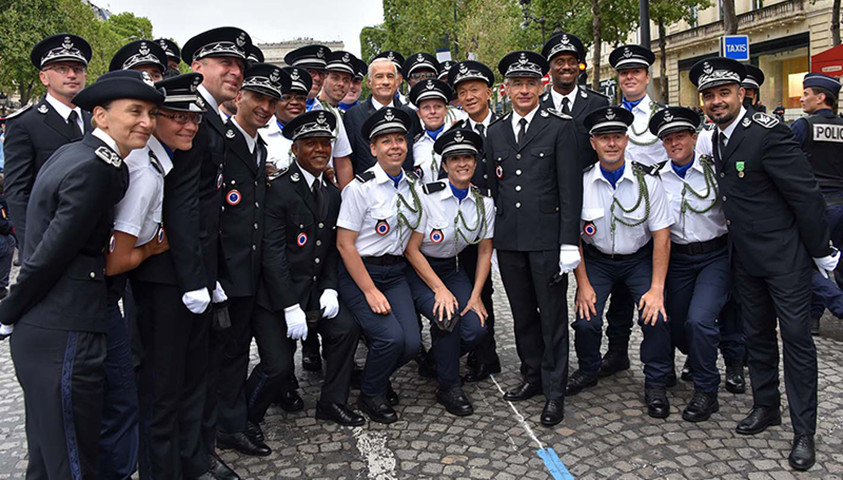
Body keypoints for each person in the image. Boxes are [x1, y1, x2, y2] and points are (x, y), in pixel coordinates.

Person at [0, 69, 162, 480]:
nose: (147, 121)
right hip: (68, 327)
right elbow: (52, 252)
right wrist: (8, 309)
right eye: (135, 111)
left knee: (48, 459)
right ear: (101, 116)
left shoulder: (77, 154)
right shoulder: (97, 168)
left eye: (151, 112)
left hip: (49, 327)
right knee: (74, 462)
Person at [691, 56, 838, 471]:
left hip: (784, 258)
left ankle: (804, 432)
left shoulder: (768, 134)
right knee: (756, 336)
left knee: (796, 340)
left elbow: (805, 196)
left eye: (724, 93)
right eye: (709, 96)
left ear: (742, 94)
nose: (716, 101)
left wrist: (821, 251)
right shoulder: (718, 137)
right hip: (745, 257)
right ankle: (766, 405)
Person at [246, 109, 364, 427]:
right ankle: (245, 418)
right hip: (275, 299)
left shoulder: (331, 193)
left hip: (312, 292)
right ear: (295, 148)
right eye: (311, 143)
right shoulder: (278, 191)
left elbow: (327, 250)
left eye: (325, 143)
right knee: (277, 365)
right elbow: (272, 255)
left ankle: (332, 402)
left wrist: (329, 287)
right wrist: (288, 306)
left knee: (345, 329)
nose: (320, 150)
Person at [486, 50, 582, 427]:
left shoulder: (560, 127)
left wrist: (569, 242)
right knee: (523, 315)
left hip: (546, 240)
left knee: (552, 318)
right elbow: (495, 188)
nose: (523, 90)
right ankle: (533, 376)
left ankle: (555, 392)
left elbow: (569, 189)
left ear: (541, 86)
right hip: (510, 240)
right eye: (517, 84)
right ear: (505, 89)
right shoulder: (495, 131)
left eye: (530, 83)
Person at [569, 106, 674, 419]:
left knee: (656, 315)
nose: (611, 143)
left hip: (638, 259)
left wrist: (656, 288)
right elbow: (573, 236)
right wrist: (582, 284)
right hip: (597, 261)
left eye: (616, 136)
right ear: (593, 143)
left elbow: (662, 237)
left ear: (627, 140)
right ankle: (588, 370)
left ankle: (655, 382)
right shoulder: (582, 183)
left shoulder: (648, 182)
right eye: (604, 138)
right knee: (586, 319)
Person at [214, 63, 285, 458]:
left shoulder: (258, 145)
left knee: (239, 350)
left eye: (271, 101)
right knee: (227, 353)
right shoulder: (222, 140)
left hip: (251, 268)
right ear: (238, 96)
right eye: (257, 97)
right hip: (228, 269)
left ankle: (233, 421)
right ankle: (227, 426)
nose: (264, 107)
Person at [336, 106, 423, 424]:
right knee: (390, 339)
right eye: (386, 141)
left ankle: (375, 376)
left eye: (400, 139)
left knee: (412, 344)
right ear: (373, 148)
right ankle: (371, 392)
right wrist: (370, 290)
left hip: (396, 273)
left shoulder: (413, 185)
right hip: (362, 273)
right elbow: (345, 245)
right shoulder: (360, 188)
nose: (395, 146)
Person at [648, 106, 730, 422]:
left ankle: (707, 391)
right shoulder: (656, 179)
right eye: (668, 139)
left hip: (714, 257)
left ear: (694, 137)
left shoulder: (714, 170)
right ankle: (691, 362)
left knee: (699, 321)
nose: (674, 143)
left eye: (680, 136)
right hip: (679, 259)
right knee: (679, 324)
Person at [404, 127, 492, 416]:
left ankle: (434, 362)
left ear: (476, 162)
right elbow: (411, 249)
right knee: (446, 317)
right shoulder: (427, 197)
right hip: (422, 269)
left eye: (468, 157)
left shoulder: (484, 203)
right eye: (454, 159)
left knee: (477, 327)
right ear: (444, 165)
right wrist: (439, 289)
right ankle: (448, 386)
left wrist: (476, 295)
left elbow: (484, 250)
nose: (462, 164)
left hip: (453, 269)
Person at [597, 44, 668, 382]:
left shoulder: (661, 116)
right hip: (615, 209)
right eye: (624, 72)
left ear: (646, 76)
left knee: (659, 298)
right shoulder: (609, 117)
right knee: (619, 297)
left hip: (655, 215)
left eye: (635, 72)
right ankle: (617, 352)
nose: (629, 77)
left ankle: (663, 366)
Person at [4, 33, 92, 256]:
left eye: (78, 69)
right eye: (62, 69)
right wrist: (31, 248)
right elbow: (17, 192)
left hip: (93, 241)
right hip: (48, 240)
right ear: (44, 77)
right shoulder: (26, 124)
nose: (72, 75)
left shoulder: (97, 120)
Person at [445, 60, 500, 382]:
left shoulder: (508, 127)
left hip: (510, 219)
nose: (468, 96)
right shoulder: (456, 135)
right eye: (462, 92)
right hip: (472, 223)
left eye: (474, 89)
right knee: (480, 287)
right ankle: (484, 354)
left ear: (489, 92)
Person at [790, 73, 843, 334]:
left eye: (807, 93)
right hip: (841, 203)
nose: (803, 98)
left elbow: (787, 161)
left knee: (811, 262)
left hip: (817, 206)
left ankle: (814, 317)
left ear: (821, 97)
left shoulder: (804, 126)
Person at [540, 32, 609, 169]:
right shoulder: (538, 106)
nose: (566, 67)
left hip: (588, 185)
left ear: (578, 68)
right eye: (560, 62)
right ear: (550, 69)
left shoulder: (598, 104)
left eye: (572, 62)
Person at [344, 57, 419, 178]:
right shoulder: (353, 116)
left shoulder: (409, 114)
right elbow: (349, 159)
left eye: (390, 76)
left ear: (397, 81)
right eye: (379, 77)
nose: (385, 82)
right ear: (369, 83)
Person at [261, 67, 312, 173]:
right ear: (274, 103)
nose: (294, 102)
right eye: (286, 97)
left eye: (300, 98)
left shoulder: (315, 136)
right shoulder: (260, 135)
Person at [409, 78, 454, 182]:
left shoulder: (456, 137)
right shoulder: (414, 144)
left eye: (438, 107)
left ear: (446, 110)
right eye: (426, 108)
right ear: (419, 114)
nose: (432, 112)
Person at [284, 45, 331, 113]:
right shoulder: (276, 109)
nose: (317, 78)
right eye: (311, 72)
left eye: (321, 73)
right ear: (295, 74)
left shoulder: (327, 111)